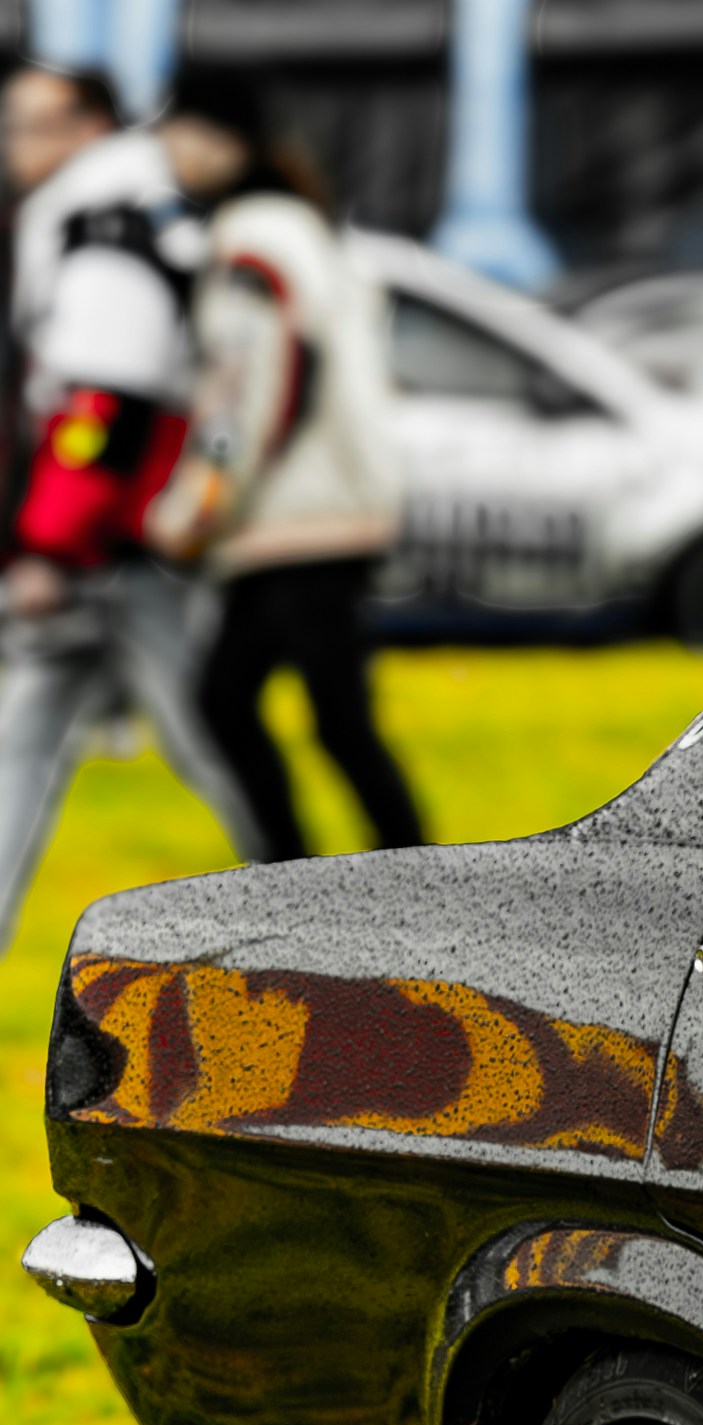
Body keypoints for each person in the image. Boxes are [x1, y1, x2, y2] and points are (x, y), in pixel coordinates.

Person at [0, 59, 260, 912]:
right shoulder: (126, 207)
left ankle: (340, 933)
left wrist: (49, 545)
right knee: (22, 743)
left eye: (30, 127)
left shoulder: (105, 221)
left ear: (88, 129)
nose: (13, 146)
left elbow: (99, 402)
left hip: (113, 549)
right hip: (116, 543)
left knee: (207, 745)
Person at [157, 73, 413, 861]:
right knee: (271, 706)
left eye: (174, 130)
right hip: (325, 509)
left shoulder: (251, 237)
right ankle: (314, 874)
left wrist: (200, 502)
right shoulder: (301, 226)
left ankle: (350, 877)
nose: (165, 151)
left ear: (219, 141)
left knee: (264, 707)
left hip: (296, 519)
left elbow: (246, 393)